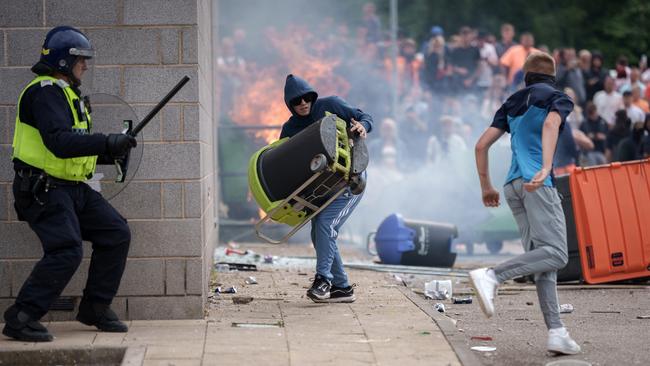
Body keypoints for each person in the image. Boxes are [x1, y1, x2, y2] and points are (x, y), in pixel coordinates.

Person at [3, 26, 136, 342]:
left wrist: (111, 150)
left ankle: (95, 309)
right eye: (81, 61)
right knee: (66, 250)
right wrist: (106, 141)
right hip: (43, 189)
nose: (85, 67)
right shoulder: (45, 91)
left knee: (116, 233)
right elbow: (60, 143)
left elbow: (74, 149)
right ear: (64, 61)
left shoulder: (67, 93)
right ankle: (21, 318)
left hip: (73, 187)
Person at [471, 52, 581, 355]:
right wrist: (546, 167)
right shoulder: (559, 98)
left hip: (512, 186)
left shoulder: (512, 102)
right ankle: (492, 275)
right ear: (553, 77)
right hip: (537, 182)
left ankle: (557, 331)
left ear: (526, 76)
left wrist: (486, 186)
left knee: (543, 260)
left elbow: (481, 145)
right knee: (558, 253)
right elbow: (550, 125)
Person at [280, 74, 373, 303]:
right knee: (318, 233)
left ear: (312, 96)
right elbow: (286, 162)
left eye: (306, 98)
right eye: (296, 101)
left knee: (325, 225)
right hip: (321, 188)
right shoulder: (289, 128)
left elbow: (363, 116)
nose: (302, 104)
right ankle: (342, 288)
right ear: (290, 104)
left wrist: (363, 126)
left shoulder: (330, 104)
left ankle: (323, 280)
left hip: (350, 181)